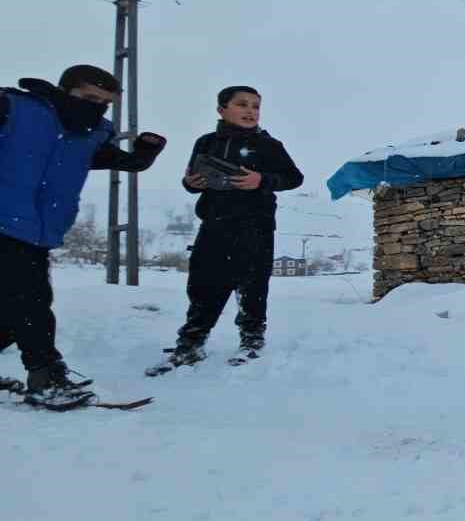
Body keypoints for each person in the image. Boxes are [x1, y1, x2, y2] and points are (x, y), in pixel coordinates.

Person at [0, 65, 166, 407]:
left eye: (104, 103)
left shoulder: (89, 136)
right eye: (89, 98)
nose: (96, 107)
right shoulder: (15, 110)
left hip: (35, 232)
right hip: (4, 222)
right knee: (30, 303)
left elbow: (123, 162)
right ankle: (46, 376)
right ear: (64, 90)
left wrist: (143, 154)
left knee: (13, 311)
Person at [147, 86, 303, 375]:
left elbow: (294, 178)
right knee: (203, 285)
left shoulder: (269, 146)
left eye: (256, 106)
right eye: (242, 104)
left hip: (256, 225)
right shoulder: (206, 143)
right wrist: (191, 183)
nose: (250, 111)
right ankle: (191, 344)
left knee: (253, 285)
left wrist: (262, 179)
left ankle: (252, 340)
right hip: (215, 224)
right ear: (221, 110)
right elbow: (191, 178)